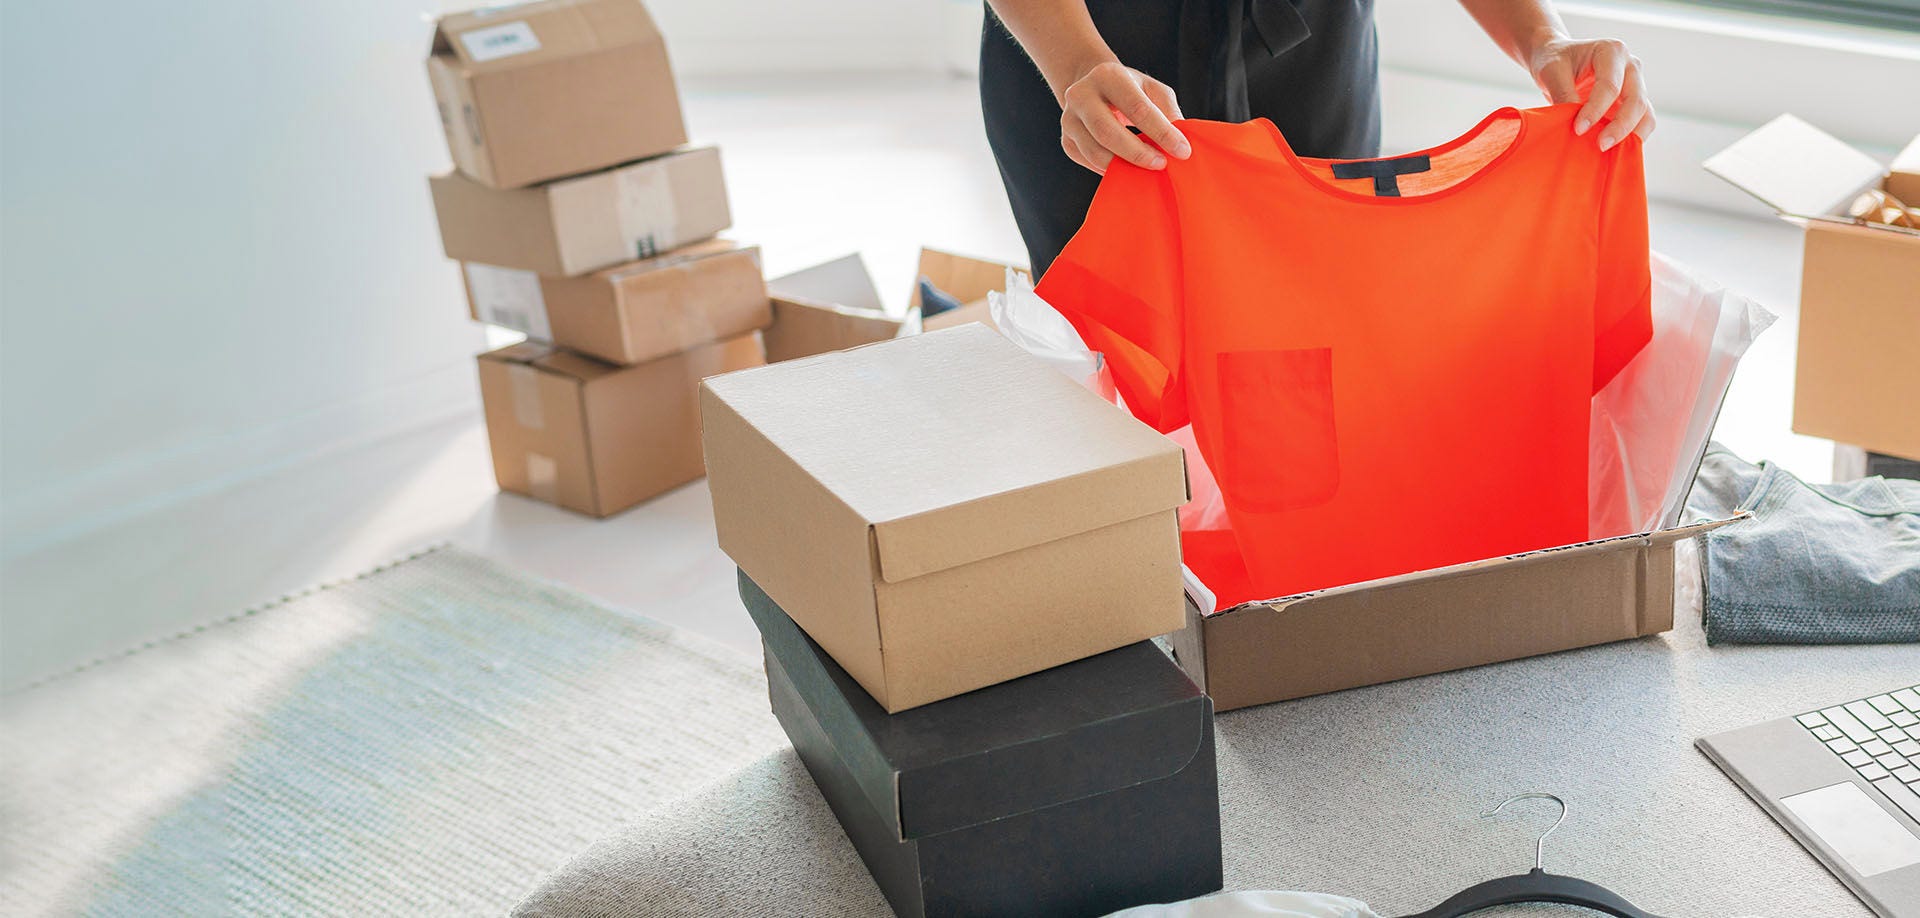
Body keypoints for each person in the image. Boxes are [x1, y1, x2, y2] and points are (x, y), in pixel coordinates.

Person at [980, 0, 1657, 275]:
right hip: (1088, 57)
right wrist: (1077, 63)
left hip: (1310, 52)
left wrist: (1544, 41)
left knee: (1314, 341)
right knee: (1109, 382)